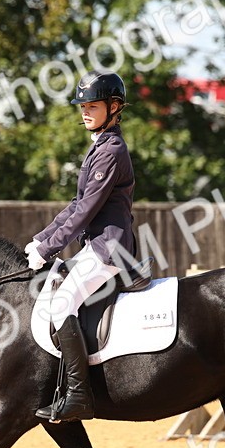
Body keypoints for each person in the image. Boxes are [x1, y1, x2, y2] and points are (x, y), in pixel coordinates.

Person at [25, 71, 136, 423]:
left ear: (114, 107)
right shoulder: (99, 146)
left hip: (109, 248)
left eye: (92, 106)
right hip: (96, 245)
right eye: (83, 106)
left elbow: (87, 209)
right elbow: (76, 205)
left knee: (61, 304)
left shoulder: (112, 150)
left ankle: (78, 396)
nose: (85, 112)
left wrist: (51, 248)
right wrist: (42, 238)